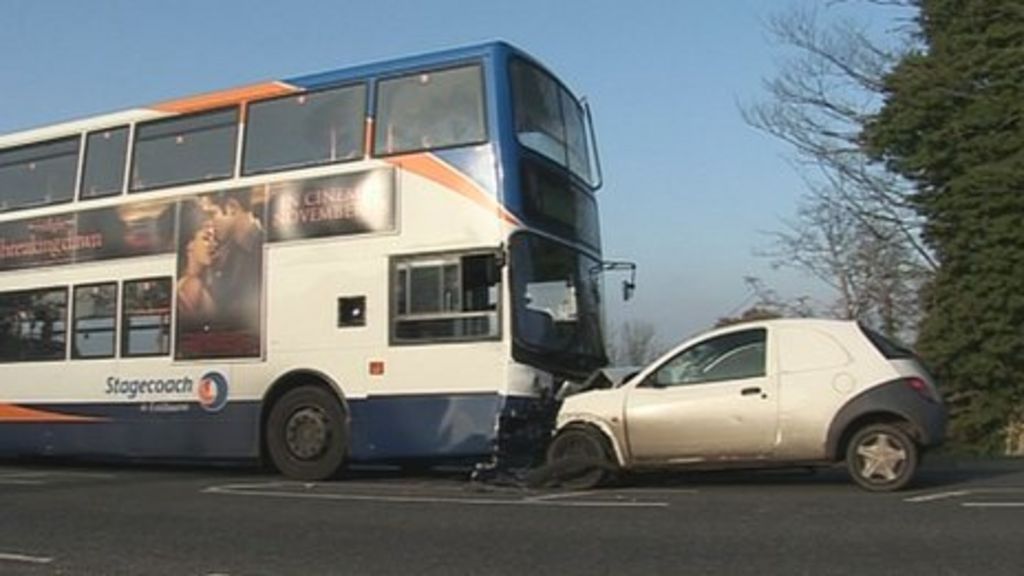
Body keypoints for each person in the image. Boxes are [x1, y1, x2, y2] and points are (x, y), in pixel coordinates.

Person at [209, 190, 264, 330]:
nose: (210, 226)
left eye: (212, 214)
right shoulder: (229, 252)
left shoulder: (263, 248)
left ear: (232, 207)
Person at [176, 203, 217, 326]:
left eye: (214, 239)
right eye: (206, 238)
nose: (213, 245)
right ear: (190, 244)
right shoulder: (193, 285)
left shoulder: (188, 282)